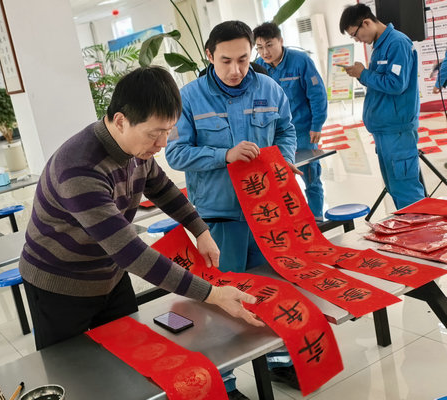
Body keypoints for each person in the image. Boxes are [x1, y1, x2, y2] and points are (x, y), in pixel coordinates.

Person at [19, 66, 265, 355]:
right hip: (60, 285)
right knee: (73, 368)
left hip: (110, 274)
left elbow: (161, 188)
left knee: (131, 355)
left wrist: (200, 229)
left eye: (168, 132)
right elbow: (131, 253)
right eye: (155, 134)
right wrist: (212, 294)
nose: (162, 144)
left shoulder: (137, 148)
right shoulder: (79, 170)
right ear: (121, 121)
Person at [165, 21, 299, 395]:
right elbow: (175, 153)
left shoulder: (269, 89)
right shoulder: (189, 98)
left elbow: (286, 130)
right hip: (218, 218)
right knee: (221, 298)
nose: (236, 69)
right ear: (210, 55)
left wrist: (283, 159)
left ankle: (277, 362)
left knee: (271, 288)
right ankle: (224, 381)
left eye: (243, 59)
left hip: (265, 213)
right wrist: (224, 155)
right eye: (226, 61)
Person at [340, 4, 425, 210]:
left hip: (397, 132)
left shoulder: (397, 43)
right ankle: (408, 227)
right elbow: (381, 85)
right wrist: (361, 75)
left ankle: (420, 229)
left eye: (355, 34)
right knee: (395, 188)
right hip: (385, 131)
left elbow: (396, 84)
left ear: (366, 22)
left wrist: (364, 73)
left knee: (407, 191)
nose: (357, 40)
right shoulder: (380, 46)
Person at [254, 22, 328, 220]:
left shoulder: (300, 61)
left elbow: (317, 94)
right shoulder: (258, 67)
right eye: (260, 47)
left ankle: (316, 218)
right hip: (273, 134)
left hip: (303, 131)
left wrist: (317, 124)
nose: (265, 52)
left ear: (280, 41)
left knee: (311, 176)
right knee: (280, 179)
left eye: (269, 45)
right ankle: (293, 221)